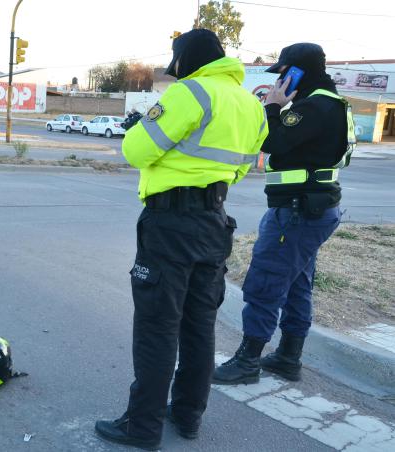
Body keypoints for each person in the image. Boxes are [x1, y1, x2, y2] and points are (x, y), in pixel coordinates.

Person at [94, 29, 268, 450]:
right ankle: (188, 415)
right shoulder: (251, 105)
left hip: (170, 226)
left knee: (157, 326)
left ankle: (142, 427)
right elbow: (242, 167)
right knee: (198, 325)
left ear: (185, 58)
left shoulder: (190, 92)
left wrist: (141, 127)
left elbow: (137, 151)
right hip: (214, 221)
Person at [213, 43, 354, 385]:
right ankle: (289, 357)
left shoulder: (314, 106)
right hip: (312, 208)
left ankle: (248, 360)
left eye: (284, 74)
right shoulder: (331, 103)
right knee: (297, 284)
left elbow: (272, 141)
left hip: (296, 212)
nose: (279, 82)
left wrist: (273, 106)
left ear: (298, 72)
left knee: (267, 280)